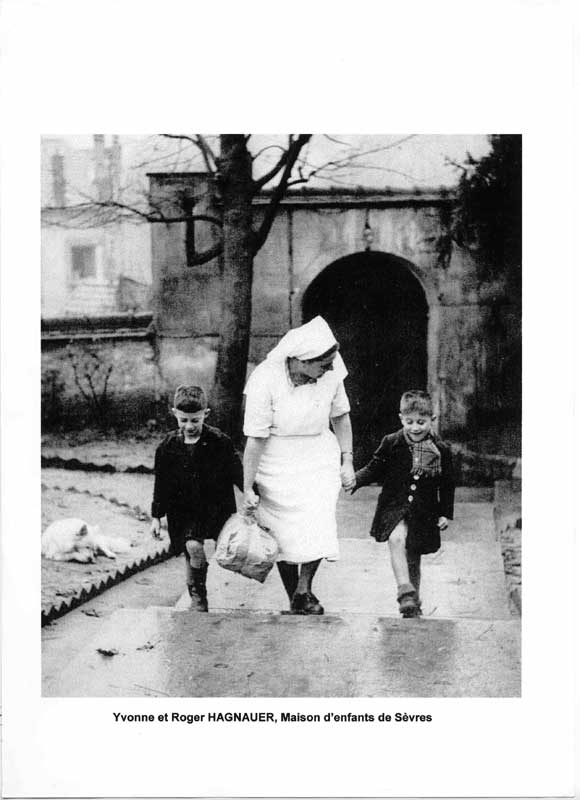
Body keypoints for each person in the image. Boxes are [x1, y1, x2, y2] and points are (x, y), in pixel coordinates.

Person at [242, 316, 355, 615]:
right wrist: (247, 487)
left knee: (317, 523)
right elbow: (255, 439)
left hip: (318, 455)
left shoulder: (331, 373)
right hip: (274, 459)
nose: (330, 369)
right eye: (323, 365)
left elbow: (341, 416)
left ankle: (304, 587)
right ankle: (296, 593)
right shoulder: (265, 379)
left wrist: (348, 460)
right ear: (302, 361)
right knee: (280, 531)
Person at [352, 389, 454, 618]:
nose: (415, 428)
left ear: (432, 420)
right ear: (401, 419)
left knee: (413, 555)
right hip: (394, 505)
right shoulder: (392, 442)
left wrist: (444, 513)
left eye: (421, 422)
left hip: (423, 510)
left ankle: (411, 603)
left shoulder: (442, 450)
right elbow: (374, 467)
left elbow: (447, 484)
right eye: (409, 422)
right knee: (396, 538)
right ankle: (404, 591)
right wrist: (355, 481)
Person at [150, 385, 243, 611]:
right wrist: (156, 516)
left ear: (206, 415)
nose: (189, 426)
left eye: (195, 420)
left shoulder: (219, 441)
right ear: (174, 414)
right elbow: (161, 483)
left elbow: (236, 471)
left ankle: (197, 589)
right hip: (182, 509)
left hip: (213, 506)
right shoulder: (168, 446)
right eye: (183, 420)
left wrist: (251, 493)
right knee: (191, 546)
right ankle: (198, 594)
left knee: (207, 546)